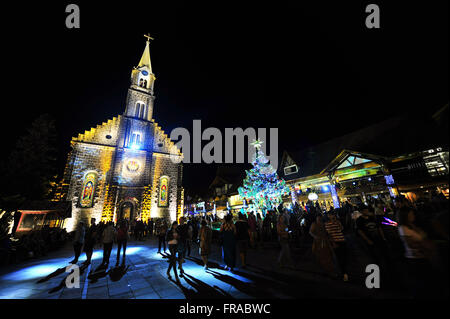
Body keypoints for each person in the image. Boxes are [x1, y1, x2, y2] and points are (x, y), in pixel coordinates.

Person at [397, 207, 435, 297]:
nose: (413, 216)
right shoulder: (403, 228)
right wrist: (425, 247)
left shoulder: (412, 225)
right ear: (405, 216)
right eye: (410, 214)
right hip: (416, 259)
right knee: (424, 282)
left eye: (412, 214)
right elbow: (411, 245)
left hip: (423, 255)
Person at [325, 212, 348, 281]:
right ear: (328, 216)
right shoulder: (327, 224)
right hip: (335, 241)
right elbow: (329, 234)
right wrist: (333, 243)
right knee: (339, 257)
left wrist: (337, 223)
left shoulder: (338, 221)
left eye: (333, 215)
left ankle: (344, 271)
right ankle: (343, 273)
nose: (332, 216)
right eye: (330, 215)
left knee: (344, 257)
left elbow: (341, 229)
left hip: (342, 240)